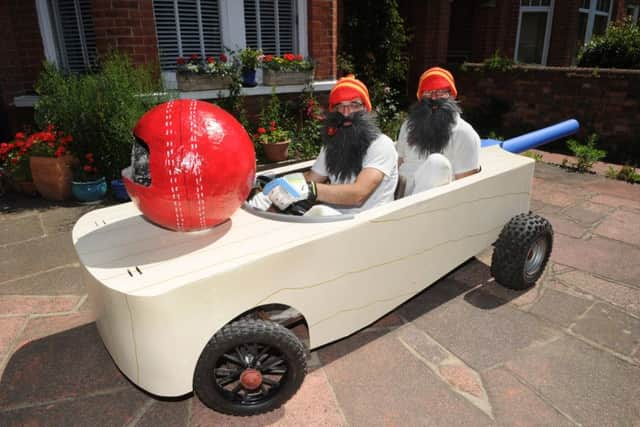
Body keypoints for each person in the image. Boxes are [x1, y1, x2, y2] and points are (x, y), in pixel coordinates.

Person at [250, 75, 398, 215]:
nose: (346, 113)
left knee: (320, 212)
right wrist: (281, 183)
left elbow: (358, 194)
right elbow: (313, 177)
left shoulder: (381, 144)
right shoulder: (333, 143)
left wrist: (311, 190)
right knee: (261, 201)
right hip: (331, 218)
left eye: (354, 104)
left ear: (366, 108)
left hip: (367, 223)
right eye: (340, 106)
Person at [396, 67, 480, 196]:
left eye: (441, 91)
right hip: (398, 198)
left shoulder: (464, 133)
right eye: (428, 92)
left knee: (437, 163)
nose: (434, 97)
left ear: (452, 95)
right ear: (420, 97)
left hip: (435, 205)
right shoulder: (408, 125)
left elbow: (466, 186)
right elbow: (398, 162)